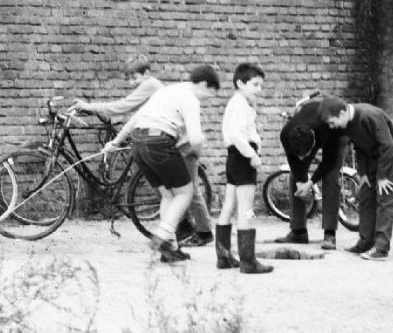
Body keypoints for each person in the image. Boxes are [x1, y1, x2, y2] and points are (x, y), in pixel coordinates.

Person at [71, 55, 215, 247]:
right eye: (129, 79)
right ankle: (173, 237)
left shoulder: (153, 85)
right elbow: (137, 116)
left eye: (134, 78)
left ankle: (200, 232)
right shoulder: (172, 91)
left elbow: (124, 107)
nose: (132, 83)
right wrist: (116, 141)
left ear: (146, 73)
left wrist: (89, 107)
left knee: (187, 190)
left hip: (179, 142)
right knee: (175, 193)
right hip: (166, 140)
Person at [105, 65, 220, 262]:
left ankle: (171, 247)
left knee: (168, 194)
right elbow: (196, 137)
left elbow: (136, 119)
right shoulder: (190, 98)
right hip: (159, 141)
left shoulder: (167, 91)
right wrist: (196, 154)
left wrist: (116, 142)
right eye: (210, 93)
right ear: (203, 84)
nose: (208, 98)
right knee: (185, 192)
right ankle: (163, 235)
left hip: (139, 142)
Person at [318, 96, 393, 261]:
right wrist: (364, 174)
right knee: (366, 194)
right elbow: (360, 147)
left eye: (332, 122)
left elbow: (388, 145)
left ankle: (381, 248)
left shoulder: (369, 115)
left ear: (343, 112)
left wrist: (381, 176)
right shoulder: (346, 125)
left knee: (384, 197)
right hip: (374, 153)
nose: (332, 127)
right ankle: (366, 242)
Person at [216, 63, 273, 274]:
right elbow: (237, 135)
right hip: (243, 158)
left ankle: (223, 256)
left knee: (228, 205)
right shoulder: (240, 104)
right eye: (255, 84)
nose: (259, 89)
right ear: (240, 83)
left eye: (261, 85)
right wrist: (253, 155)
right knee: (246, 209)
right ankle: (248, 260)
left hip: (233, 158)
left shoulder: (236, 102)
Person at [274, 90, 349, 250]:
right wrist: (302, 182)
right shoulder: (286, 134)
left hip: (336, 135)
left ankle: (330, 234)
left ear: (314, 140)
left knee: (330, 177)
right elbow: (294, 161)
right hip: (307, 125)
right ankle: (298, 231)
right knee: (295, 177)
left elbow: (328, 161)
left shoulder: (328, 129)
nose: (302, 159)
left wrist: (311, 182)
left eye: (306, 155)